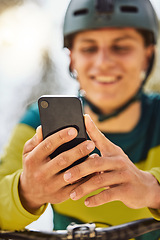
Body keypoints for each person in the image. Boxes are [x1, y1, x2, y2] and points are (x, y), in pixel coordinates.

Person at [0, 0, 160, 238]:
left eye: (121, 47)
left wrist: (153, 189)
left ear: (147, 57)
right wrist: (26, 191)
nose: (103, 62)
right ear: (72, 58)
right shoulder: (38, 123)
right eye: (89, 48)